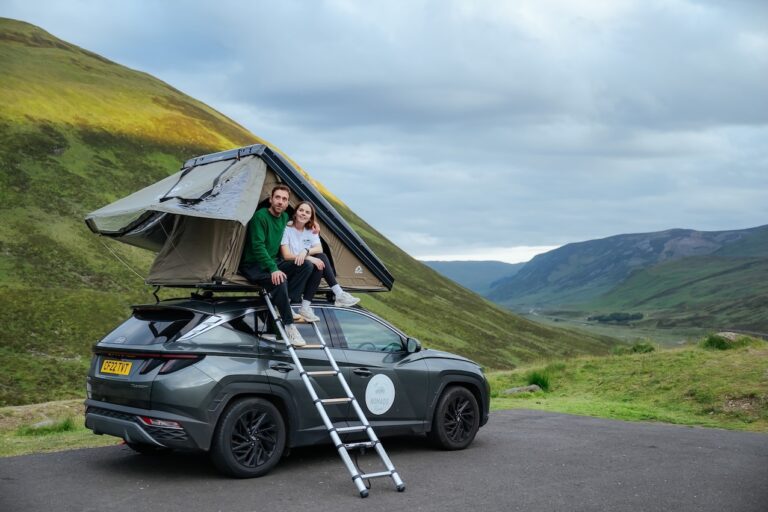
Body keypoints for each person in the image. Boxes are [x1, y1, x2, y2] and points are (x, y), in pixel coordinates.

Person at [239, 185, 314, 346]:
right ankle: (290, 326)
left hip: (274, 261)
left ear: (287, 203)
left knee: (306, 265)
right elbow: (258, 246)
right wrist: (273, 269)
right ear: (271, 199)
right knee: (280, 280)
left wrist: (314, 226)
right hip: (254, 264)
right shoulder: (260, 217)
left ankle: (286, 303)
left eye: (284, 199)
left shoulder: (285, 218)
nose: (280, 201)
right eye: (278, 197)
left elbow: (299, 225)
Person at [280, 200, 360, 322]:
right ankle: (338, 294)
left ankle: (308, 306)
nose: (303, 213)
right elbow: (286, 255)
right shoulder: (287, 228)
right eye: (301, 210)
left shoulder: (311, 230)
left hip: (305, 269)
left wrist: (306, 251)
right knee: (314, 261)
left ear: (310, 217)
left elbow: (319, 248)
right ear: (295, 212)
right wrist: (308, 257)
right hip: (291, 268)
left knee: (321, 259)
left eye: (307, 212)